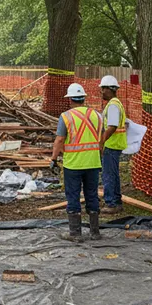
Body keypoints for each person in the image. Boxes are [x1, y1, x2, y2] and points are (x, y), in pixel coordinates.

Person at [50, 82, 102, 241]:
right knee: (92, 195)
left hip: (73, 164)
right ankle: (95, 232)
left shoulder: (66, 117)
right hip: (93, 162)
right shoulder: (97, 115)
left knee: (73, 196)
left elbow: (59, 139)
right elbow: (102, 137)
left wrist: (53, 158)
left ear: (70, 99)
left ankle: (75, 234)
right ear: (84, 98)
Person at [99, 75, 127, 213]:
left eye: (103, 88)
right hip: (115, 144)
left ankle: (111, 203)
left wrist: (102, 141)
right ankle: (117, 201)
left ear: (109, 89)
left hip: (112, 145)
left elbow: (112, 126)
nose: (101, 91)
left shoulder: (113, 106)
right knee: (113, 174)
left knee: (108, 175)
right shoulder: (116, 103)